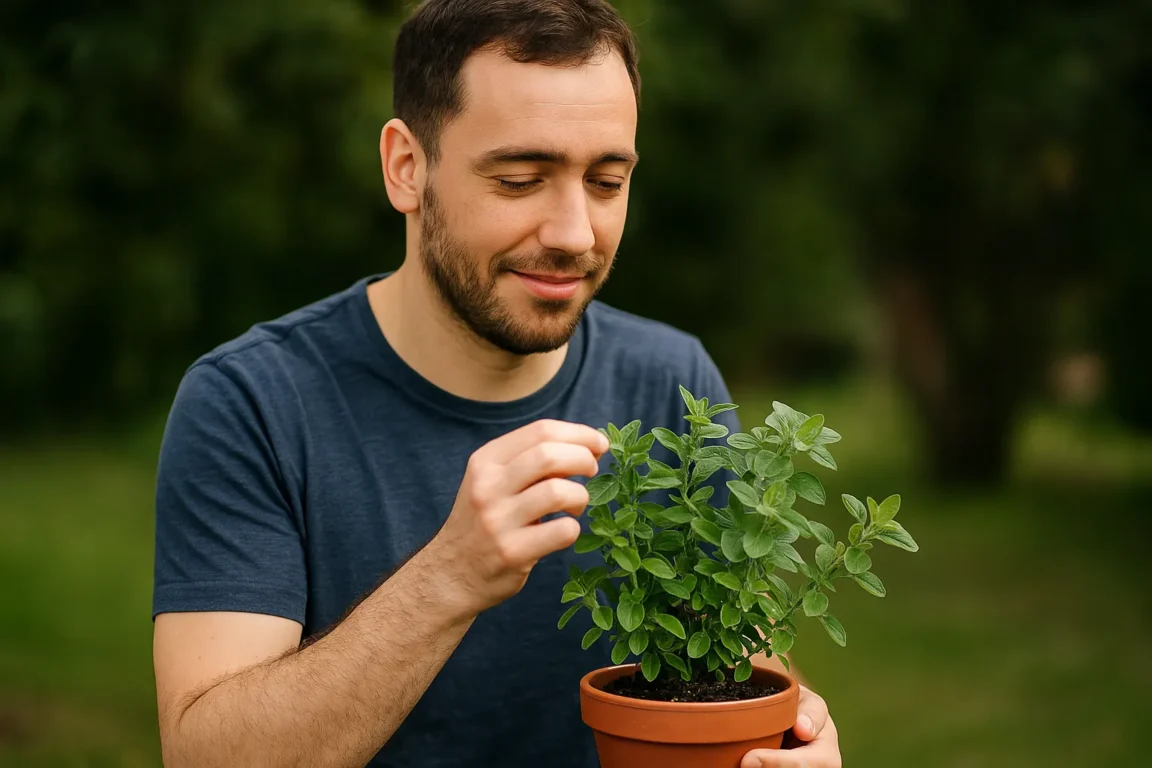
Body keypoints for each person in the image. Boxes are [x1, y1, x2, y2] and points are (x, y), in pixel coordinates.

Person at [150, 1, 842, 766]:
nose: (574, 233)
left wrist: (797, 731)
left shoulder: (672, 382)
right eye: (520, 180)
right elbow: (207, 757)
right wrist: (450, 577)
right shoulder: (253, 404)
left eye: (607, 181)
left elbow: (737, 674)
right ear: (407, 168)